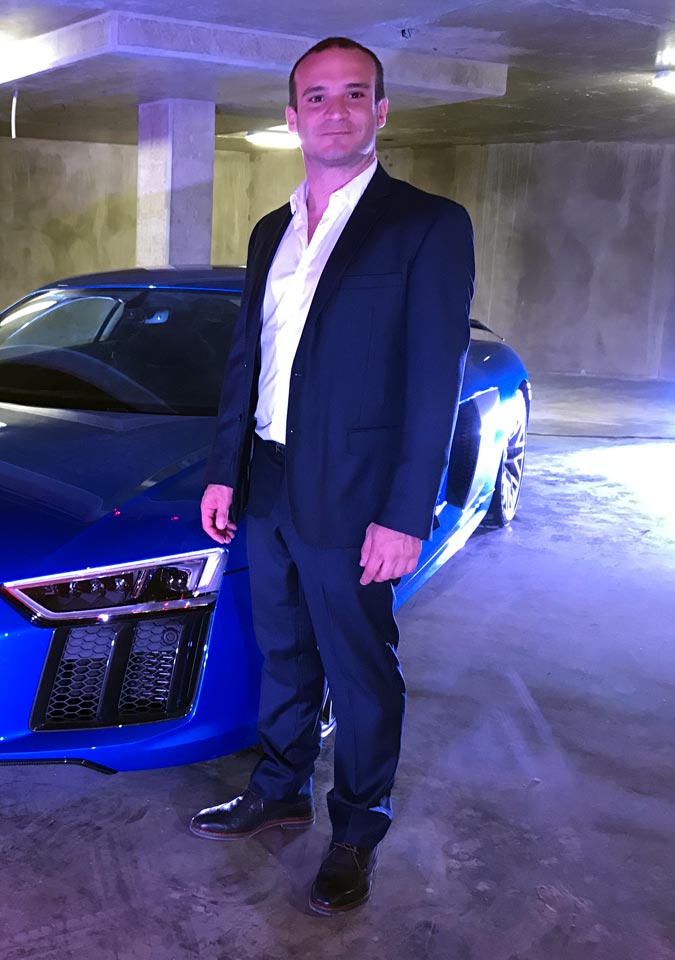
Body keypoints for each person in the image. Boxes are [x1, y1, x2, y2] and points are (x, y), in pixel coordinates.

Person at [191, 36, 474, 915]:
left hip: (357, 493)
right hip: (269, 480)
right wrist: (225, 472)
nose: (336, 110)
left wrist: (406, 513)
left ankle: (357, 829)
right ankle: (280, 788)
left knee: (359, 667)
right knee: (282, 649)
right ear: (292, 117)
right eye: (317, 96)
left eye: (356, 94)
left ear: (381, 110)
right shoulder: (269, 231)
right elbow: (248, 361)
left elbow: (433, 380)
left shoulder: (425, 224)